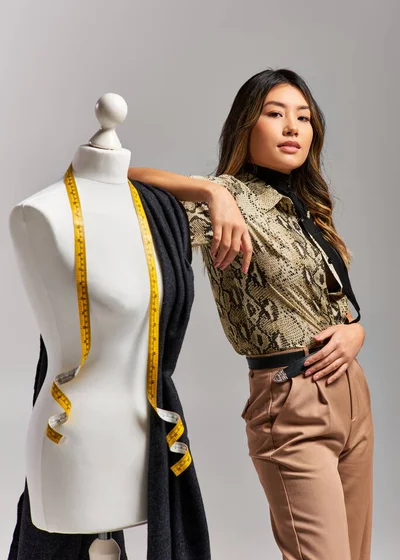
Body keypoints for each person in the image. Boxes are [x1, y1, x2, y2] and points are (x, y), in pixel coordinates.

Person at [127, 68, 374, 560]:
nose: (292, 128)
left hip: (352, 395)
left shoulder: (306, 207)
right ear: (246, 125)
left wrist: (357, 333)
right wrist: (212, 193)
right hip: (291, 401)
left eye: (303, 118)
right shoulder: (225, 199)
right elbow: (117, 175)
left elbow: (337, 304)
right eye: (275, 114)